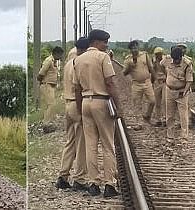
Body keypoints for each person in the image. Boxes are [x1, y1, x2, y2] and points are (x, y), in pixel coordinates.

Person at [73, 29, 122, 197]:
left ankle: (93, 183)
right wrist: (118, 106)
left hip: (86, 101)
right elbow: (110, 83)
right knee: (108, 144)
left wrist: (80, 109)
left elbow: (76, 89)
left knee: (91, 145)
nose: (106, 45)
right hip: (101, 101)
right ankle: (109, 184)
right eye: (104, 42)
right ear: (95, 42)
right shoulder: (103, 57)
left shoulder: (78, 60)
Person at [56, 37, 89, 189]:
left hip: (68, 105)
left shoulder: (68, 63)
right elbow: (80, 87)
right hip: (77, 104)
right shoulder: (79, 63)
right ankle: (79, 178)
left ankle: (63, 176)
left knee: (70, 142)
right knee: (82, 144)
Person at [161, 47, 193, 140]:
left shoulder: (187, 64)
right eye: (174, 59)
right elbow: (161, 65)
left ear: (181, 57)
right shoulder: (167, 60)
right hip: (169, 90)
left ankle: (184, 136)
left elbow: (189, 81)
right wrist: (167, 77)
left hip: (181, 91)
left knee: (183, 115)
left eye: (177, 59)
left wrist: (184, 92)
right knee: (170, 114)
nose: (175, 61)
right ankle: (170, 135)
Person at [123, 41, 156, 128]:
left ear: (138, 47)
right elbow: (124, 73)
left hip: (147, 82)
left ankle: (147, 116)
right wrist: (130, 65)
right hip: (136, 84)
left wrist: (154, 78)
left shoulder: (144, 55)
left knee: (152, 101)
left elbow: (151, 67)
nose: (135, 49)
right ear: (130, 50)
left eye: (136, 47)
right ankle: (139, 123)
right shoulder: (128, 59)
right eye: (132, 48)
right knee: (137, 104)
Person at [37, 46, 64, 123]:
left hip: (51, 85)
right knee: (51, 104)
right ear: (56, 53)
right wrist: (42, 82)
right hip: (46, 85)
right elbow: (41, 73)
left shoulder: (54, 61)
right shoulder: (48, 60)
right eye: (60, 55)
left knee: (50, 105)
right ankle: (46, 123)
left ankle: (49, 121)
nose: (61, 57)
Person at [153, 47, 167, 126]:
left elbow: (167, 72)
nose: (158, 56)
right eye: (156, 54)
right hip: (157, 82)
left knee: (165, 101)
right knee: (157, 101)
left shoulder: (165, 61)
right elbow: (152, 72)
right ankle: (158, 119)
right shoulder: (154, 62)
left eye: (159, 54)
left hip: (164, 82)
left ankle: (165, 118)